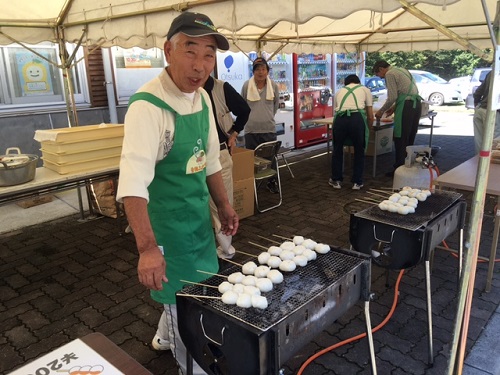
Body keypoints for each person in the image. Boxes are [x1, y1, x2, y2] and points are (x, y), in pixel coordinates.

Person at [115, 12, 238, 375]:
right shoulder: (148, 107)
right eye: (190, 50)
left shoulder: (201, 98)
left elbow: (211, 160)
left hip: (197, 222)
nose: (200, 65)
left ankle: (164, 336)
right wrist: (147, 249)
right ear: (168, 50)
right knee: (184, 306)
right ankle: (191, 365)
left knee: (190, 295)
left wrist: (224, 205)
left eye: (208, 54)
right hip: (166, 230)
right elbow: (132, 184)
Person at [203, 75, 250, 259]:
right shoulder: (182, 91)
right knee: (200, 205)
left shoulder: (220, 88)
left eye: (207, 56)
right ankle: (206, 249)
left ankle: (225, 250)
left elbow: (244, 110)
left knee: (221, 203)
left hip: (219, 152)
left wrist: (234, 132)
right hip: (192, 156)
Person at [373, 60, 422, 176]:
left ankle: (399, 169)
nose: (380, 78)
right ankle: (408, 165)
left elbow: (392, 97)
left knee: (400, 136)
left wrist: (381, 111)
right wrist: (394, 107)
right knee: (410, 136)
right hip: (416, 104)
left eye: (378, 75)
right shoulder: (403, 70)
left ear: (381, 69)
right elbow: (408, 92)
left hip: (406, 106)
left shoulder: (390, 74)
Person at [241, 57, 280, 193]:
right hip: (251, 129)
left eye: (263, 69)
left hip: (268, 129)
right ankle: (251, 183)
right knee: (251, 159)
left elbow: (275, 105)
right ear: (253, 72)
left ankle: (271, 181)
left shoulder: (273, 86)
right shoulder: (247, 85)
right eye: (257, 69)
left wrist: (267, 117)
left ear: (267, 71)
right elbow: (243, 106)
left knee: (271, 158)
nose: (260, 72)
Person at [329, 74, 374, 190]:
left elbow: (336, 111)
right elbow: (370, 114)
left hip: (340, 120)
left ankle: (336, 180)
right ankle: (357, 182)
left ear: (346, 83)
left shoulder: (339, 92)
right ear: (358, 82)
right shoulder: (365, 89)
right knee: (359, 150)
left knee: (337, 150)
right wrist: (368, 128)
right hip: (356, 119)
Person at [472, 70, 500, 154]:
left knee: (479, 141)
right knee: (495, 142)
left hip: (481, 109)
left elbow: (478, 91)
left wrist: (477, 104)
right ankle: (490, 165)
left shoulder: (492, 72)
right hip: (494, 112)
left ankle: (480, 163)